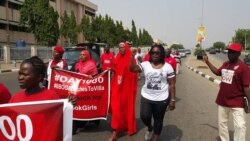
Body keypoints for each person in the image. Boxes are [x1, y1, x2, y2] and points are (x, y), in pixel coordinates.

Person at [203, 43, 250, 141]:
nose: (229, 54)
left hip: (237, 102)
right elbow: (217, 72)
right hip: (222, 101)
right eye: (229, 51)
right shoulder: (226, 64)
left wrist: (249, 102)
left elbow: (247, 87)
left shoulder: (243, 68)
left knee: (240, 126)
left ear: (238, 54)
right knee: (222, 124)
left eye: (232, 52)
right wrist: (207, 62)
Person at [130, 44, 176, 141]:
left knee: (158, 120)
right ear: (150, 54)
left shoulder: (168, 67)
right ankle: (150, 128)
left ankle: (155, 137)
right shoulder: (145, 64)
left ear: (161, 54)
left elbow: (172, 84)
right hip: (146, 96)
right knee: (144, 116)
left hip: (162, 99)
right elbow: (132, 69)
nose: (155, 54)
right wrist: (131, 56)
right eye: (153, 52)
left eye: (157, 53)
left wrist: (172, 100)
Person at [9, 56, 76, 103]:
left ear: (39, 77)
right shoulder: (14, 99)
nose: (20, 77)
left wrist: (67, 106)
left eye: (25, 75)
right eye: (20, 74)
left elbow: (58, 118)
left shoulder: (51, 97)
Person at [108, 42, 138, 141]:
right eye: (119, 47)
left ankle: (116, 133)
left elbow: (133, 75)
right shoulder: (117, 57)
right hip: (117, 87)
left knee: (124, 108)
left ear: (126, 48)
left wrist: (129, 88)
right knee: (115, 108)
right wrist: (111, 70)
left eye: (123, 47)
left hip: (126, 89)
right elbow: (116, 70)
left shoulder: (131, 59)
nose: (121, 49)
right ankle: (116, 130)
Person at [70, 50, 98, 134]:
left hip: (87, 90)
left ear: (87, 56)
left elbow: (96, 77)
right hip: (77, 89)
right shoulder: (77, 64)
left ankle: (88, 120)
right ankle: (74, 125)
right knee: (76, 106)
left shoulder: (91, 65)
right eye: (80, 54)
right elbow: (70, 73)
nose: (81, 56)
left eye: (83, 55)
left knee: (85, 106)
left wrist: (91, 77)